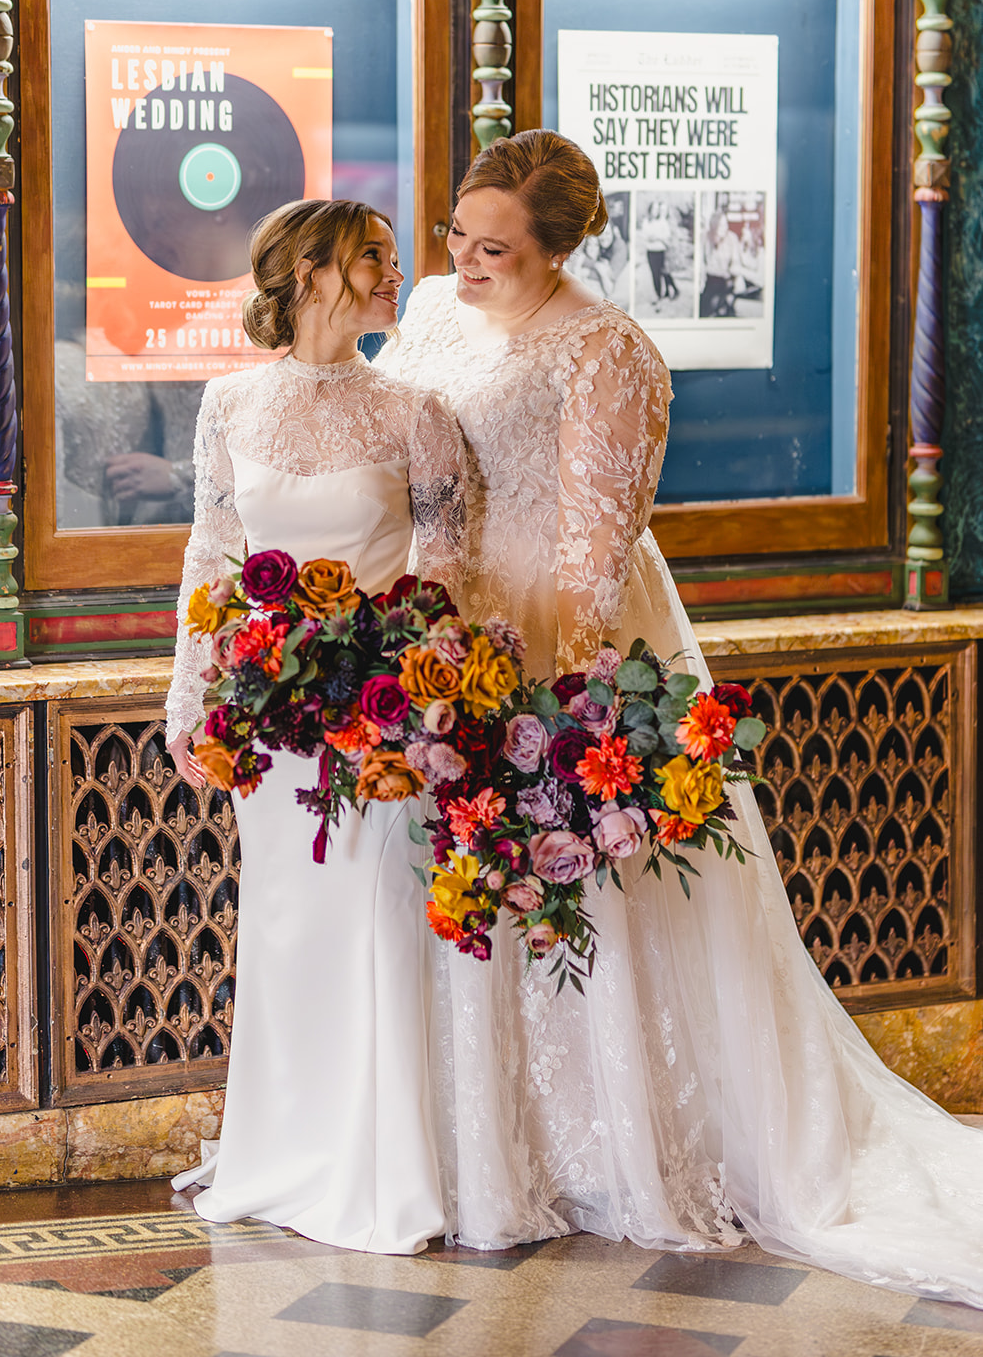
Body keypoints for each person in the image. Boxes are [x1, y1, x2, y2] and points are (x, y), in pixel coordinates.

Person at [376, 130, 983, 1306]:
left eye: (491, 245)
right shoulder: (435, 313)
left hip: (561, 628)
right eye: (454, 230)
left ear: (555, 249)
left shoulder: (608, 351)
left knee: (576, 872)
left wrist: (560, 700)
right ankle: (480, 1145)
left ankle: (611, 1143)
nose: (461, 256)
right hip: (448, 617)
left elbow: (592, 552)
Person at [165, 198, 468, 1255]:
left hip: (378, 726)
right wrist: (190, 695)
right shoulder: (227, 404)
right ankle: (278, 1152)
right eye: (371, 258)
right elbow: (211, 559)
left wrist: (417, 700)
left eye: (393, 257)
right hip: (271, 723)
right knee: (286, 929)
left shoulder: (413, 411)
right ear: (308, 273)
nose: (395, 273)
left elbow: (444, 573)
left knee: (375, 928)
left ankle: (376, 1171)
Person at [700, 206, 744, 318]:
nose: (726, 227)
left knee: (722, 309)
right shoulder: (706, 238)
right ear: (714, 226)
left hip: (726, 281)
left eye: (726, 224)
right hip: (710, 280)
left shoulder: (732, 238)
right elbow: (702, 263)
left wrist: (737, 277)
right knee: (705, 309)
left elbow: (736, 262)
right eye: (722, 224)